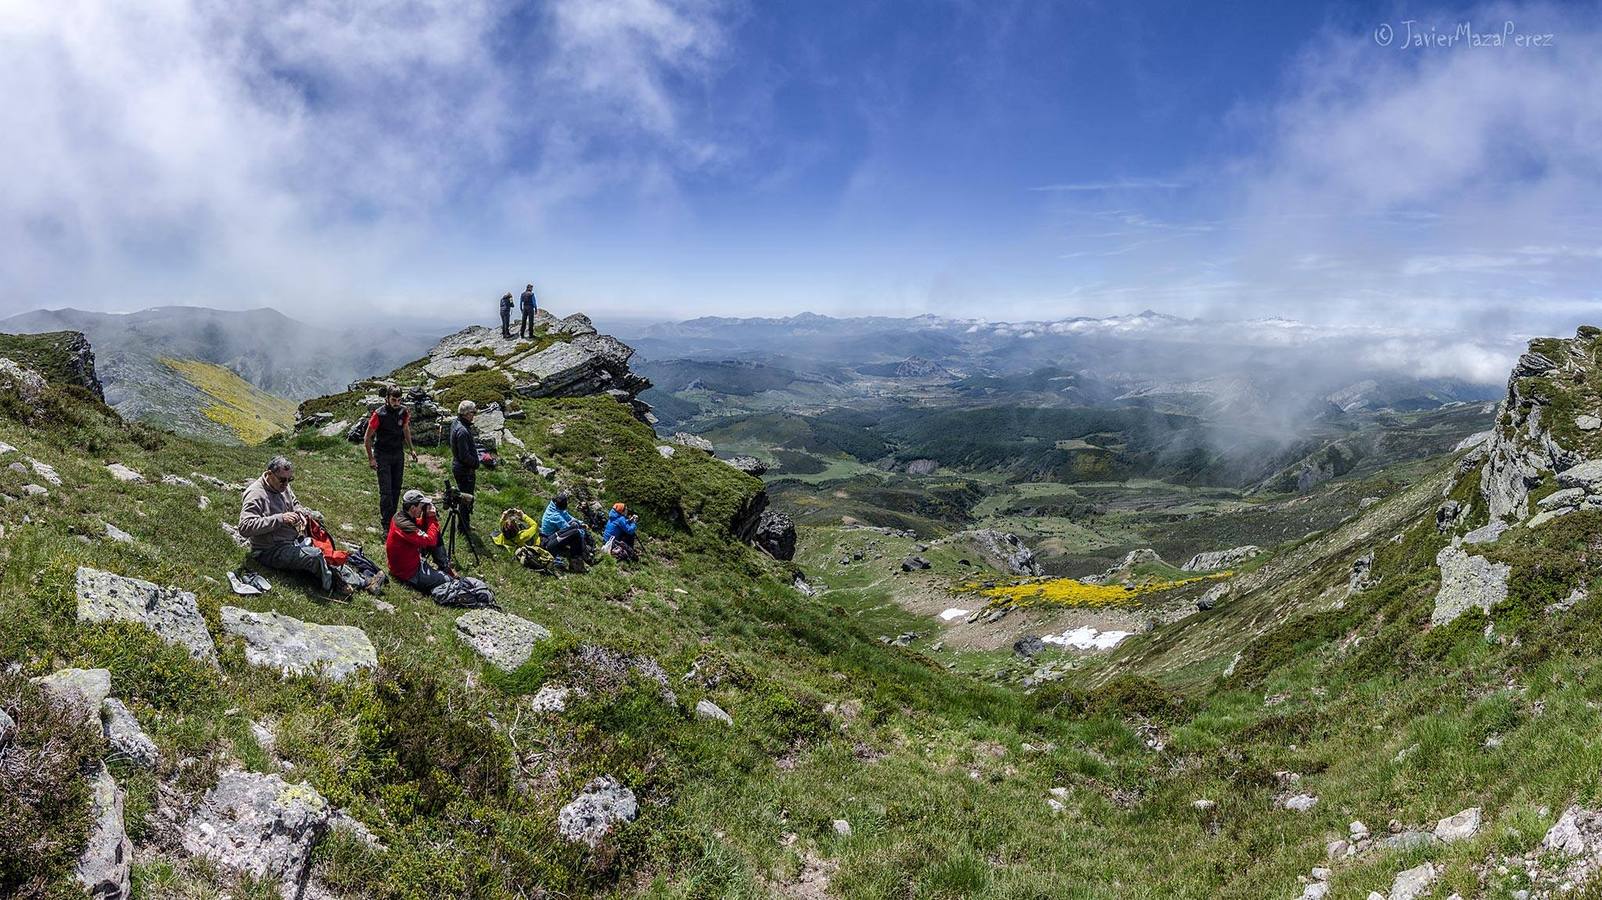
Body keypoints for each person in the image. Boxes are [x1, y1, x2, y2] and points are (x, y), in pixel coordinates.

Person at [238, 456, 349, 596]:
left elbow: (294, 502)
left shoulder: (283, 486)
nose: (286, 484)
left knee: (325, 550)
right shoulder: (255, 494)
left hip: (292, 540)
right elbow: (244, 527)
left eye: (289, 480)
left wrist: (299, 512)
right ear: (270, 474)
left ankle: (361, 580)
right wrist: (280, 518)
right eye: (283, 480)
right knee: (314, 556)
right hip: (269, 550)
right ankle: (332, 585)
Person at [364, 385, 417, 532]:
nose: (396, 403)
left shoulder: (403, 412)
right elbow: (367, 438)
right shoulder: (379, 414)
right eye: (394, 399)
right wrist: (371, 458)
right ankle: (387, 524)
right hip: (382, 454)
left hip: (398, 453)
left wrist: (411, 449)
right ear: (387, 398)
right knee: (386, 491)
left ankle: (393, 518)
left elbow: (405, 429)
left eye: (399, 400)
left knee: (396, 488)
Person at [386, 489, 452, 592]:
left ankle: (444, 566)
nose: (422, 509)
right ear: (413, 508)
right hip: (409, 573)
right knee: (448, 580)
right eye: (421, 507)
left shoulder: (400, 516)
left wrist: (426, 517)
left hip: (405, 565)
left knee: (434, 532)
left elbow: (420, 526)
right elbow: (430, 541)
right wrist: (431, 518)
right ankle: (444, 571)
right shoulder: (405, 526)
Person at [540, 491, 595, 566]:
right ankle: (585, 555)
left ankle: (585, 553)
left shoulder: (554, 506)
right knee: (576, 534)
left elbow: (568, 517)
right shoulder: (555, 516)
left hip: (555, 533)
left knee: (575, 525)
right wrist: (581, 531)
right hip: (549, 539)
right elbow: (567, 528)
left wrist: (580, 523)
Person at [449, 400, 479, 535]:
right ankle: (463, 527)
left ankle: (464, 524)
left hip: (459, 468)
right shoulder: (462, 431)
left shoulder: (457, 423)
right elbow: (464, 456)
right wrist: (476, 463)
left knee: (464, 497)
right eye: (473, 412)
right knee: (466, 499)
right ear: (466, 414)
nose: (474, 415)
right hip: (465, 470)